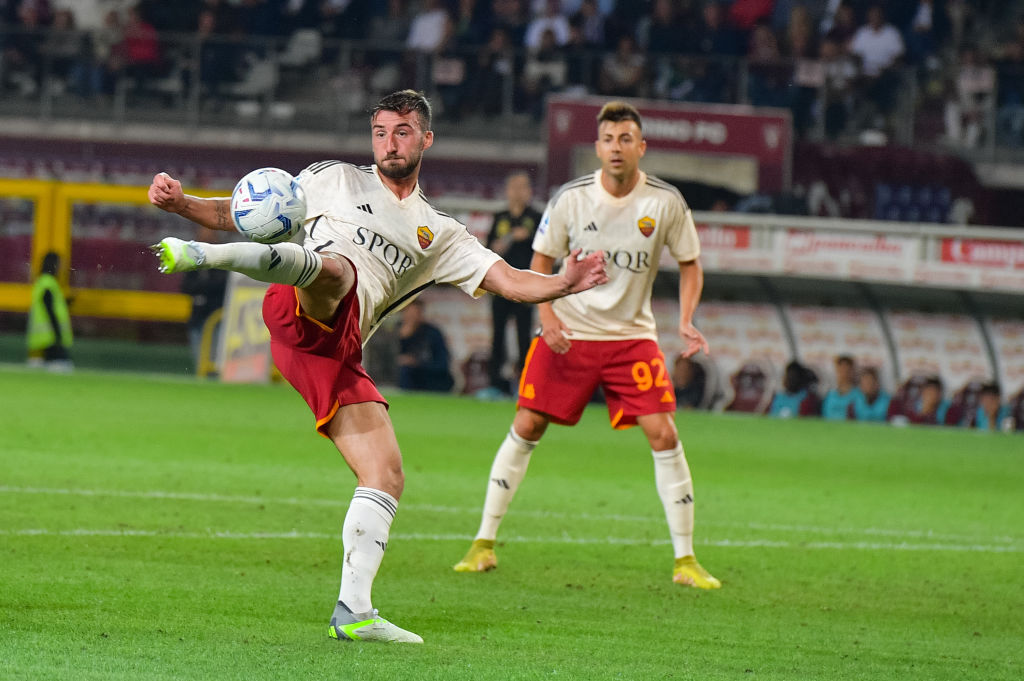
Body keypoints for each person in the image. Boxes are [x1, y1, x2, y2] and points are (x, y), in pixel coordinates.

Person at [147, 90, 608, 644]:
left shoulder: (439, 233)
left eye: (402, 132)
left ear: (425, 139)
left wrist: (563, 282)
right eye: (381, 132)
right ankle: (208, 256)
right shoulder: (334, 179)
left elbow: (508, 279)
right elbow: (240, 212)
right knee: (338, 272)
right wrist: (183, 205)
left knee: (385, 473)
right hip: (298, 311)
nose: (389, 143)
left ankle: (354, 612)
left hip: (337, 352)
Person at [453, 101, 721, 590]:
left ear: (641, 146)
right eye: (608, 140)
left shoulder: (665, 202)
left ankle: (686, 561)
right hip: (569, 334)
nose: (616, 148)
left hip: (630, 338)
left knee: (663, 433)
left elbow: (690, 263)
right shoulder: (571, 198)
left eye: (626, 139)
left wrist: (685, 319)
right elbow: (540, 257)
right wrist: (547, 314)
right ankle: (483, 544)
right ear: (597, 148)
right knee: (527, 423)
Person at [483, 170, 543, 397]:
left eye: (523, 187)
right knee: (497, 335)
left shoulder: (536, 217)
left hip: (526, 286)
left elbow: (547, 249)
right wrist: (499, 244)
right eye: (514, 187)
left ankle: (525, 384)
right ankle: (495, 384)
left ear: (529, 191)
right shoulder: (500, 218)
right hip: (500, 286)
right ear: (507, 191)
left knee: (523, 335)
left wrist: (526, 237)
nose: (518, 192)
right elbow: (488, 247)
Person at [181, 228, 228, 376]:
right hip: (198, 316)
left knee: (216, 359)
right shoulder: (192, 260)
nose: (205, 237)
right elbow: (186, 287)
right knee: (200, 360)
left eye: (209, 234)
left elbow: (222, 284)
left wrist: (203, 286)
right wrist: (204, 286)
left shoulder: (222, 258)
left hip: (217, 314)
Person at [26, 251, 74, 371]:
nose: (62, 268)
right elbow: (49, 308)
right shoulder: (48, 283)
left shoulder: (45, 283)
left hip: (46, 338)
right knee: (63, 368)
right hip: (50, 338)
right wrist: (58, 333)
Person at [396, 299, 454, 392]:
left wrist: (416, 362)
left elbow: (442, 363)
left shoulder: (432, 333)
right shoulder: (394, 332)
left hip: (430, 379)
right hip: (402, 380)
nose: (412, 317)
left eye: (415, 313)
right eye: (408, 313)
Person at [821, 354, 860, 420]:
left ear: (852, 372)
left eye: (847, 370)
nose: (844, 373)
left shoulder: (859, 395)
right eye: (841, 370)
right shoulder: (830, 395)